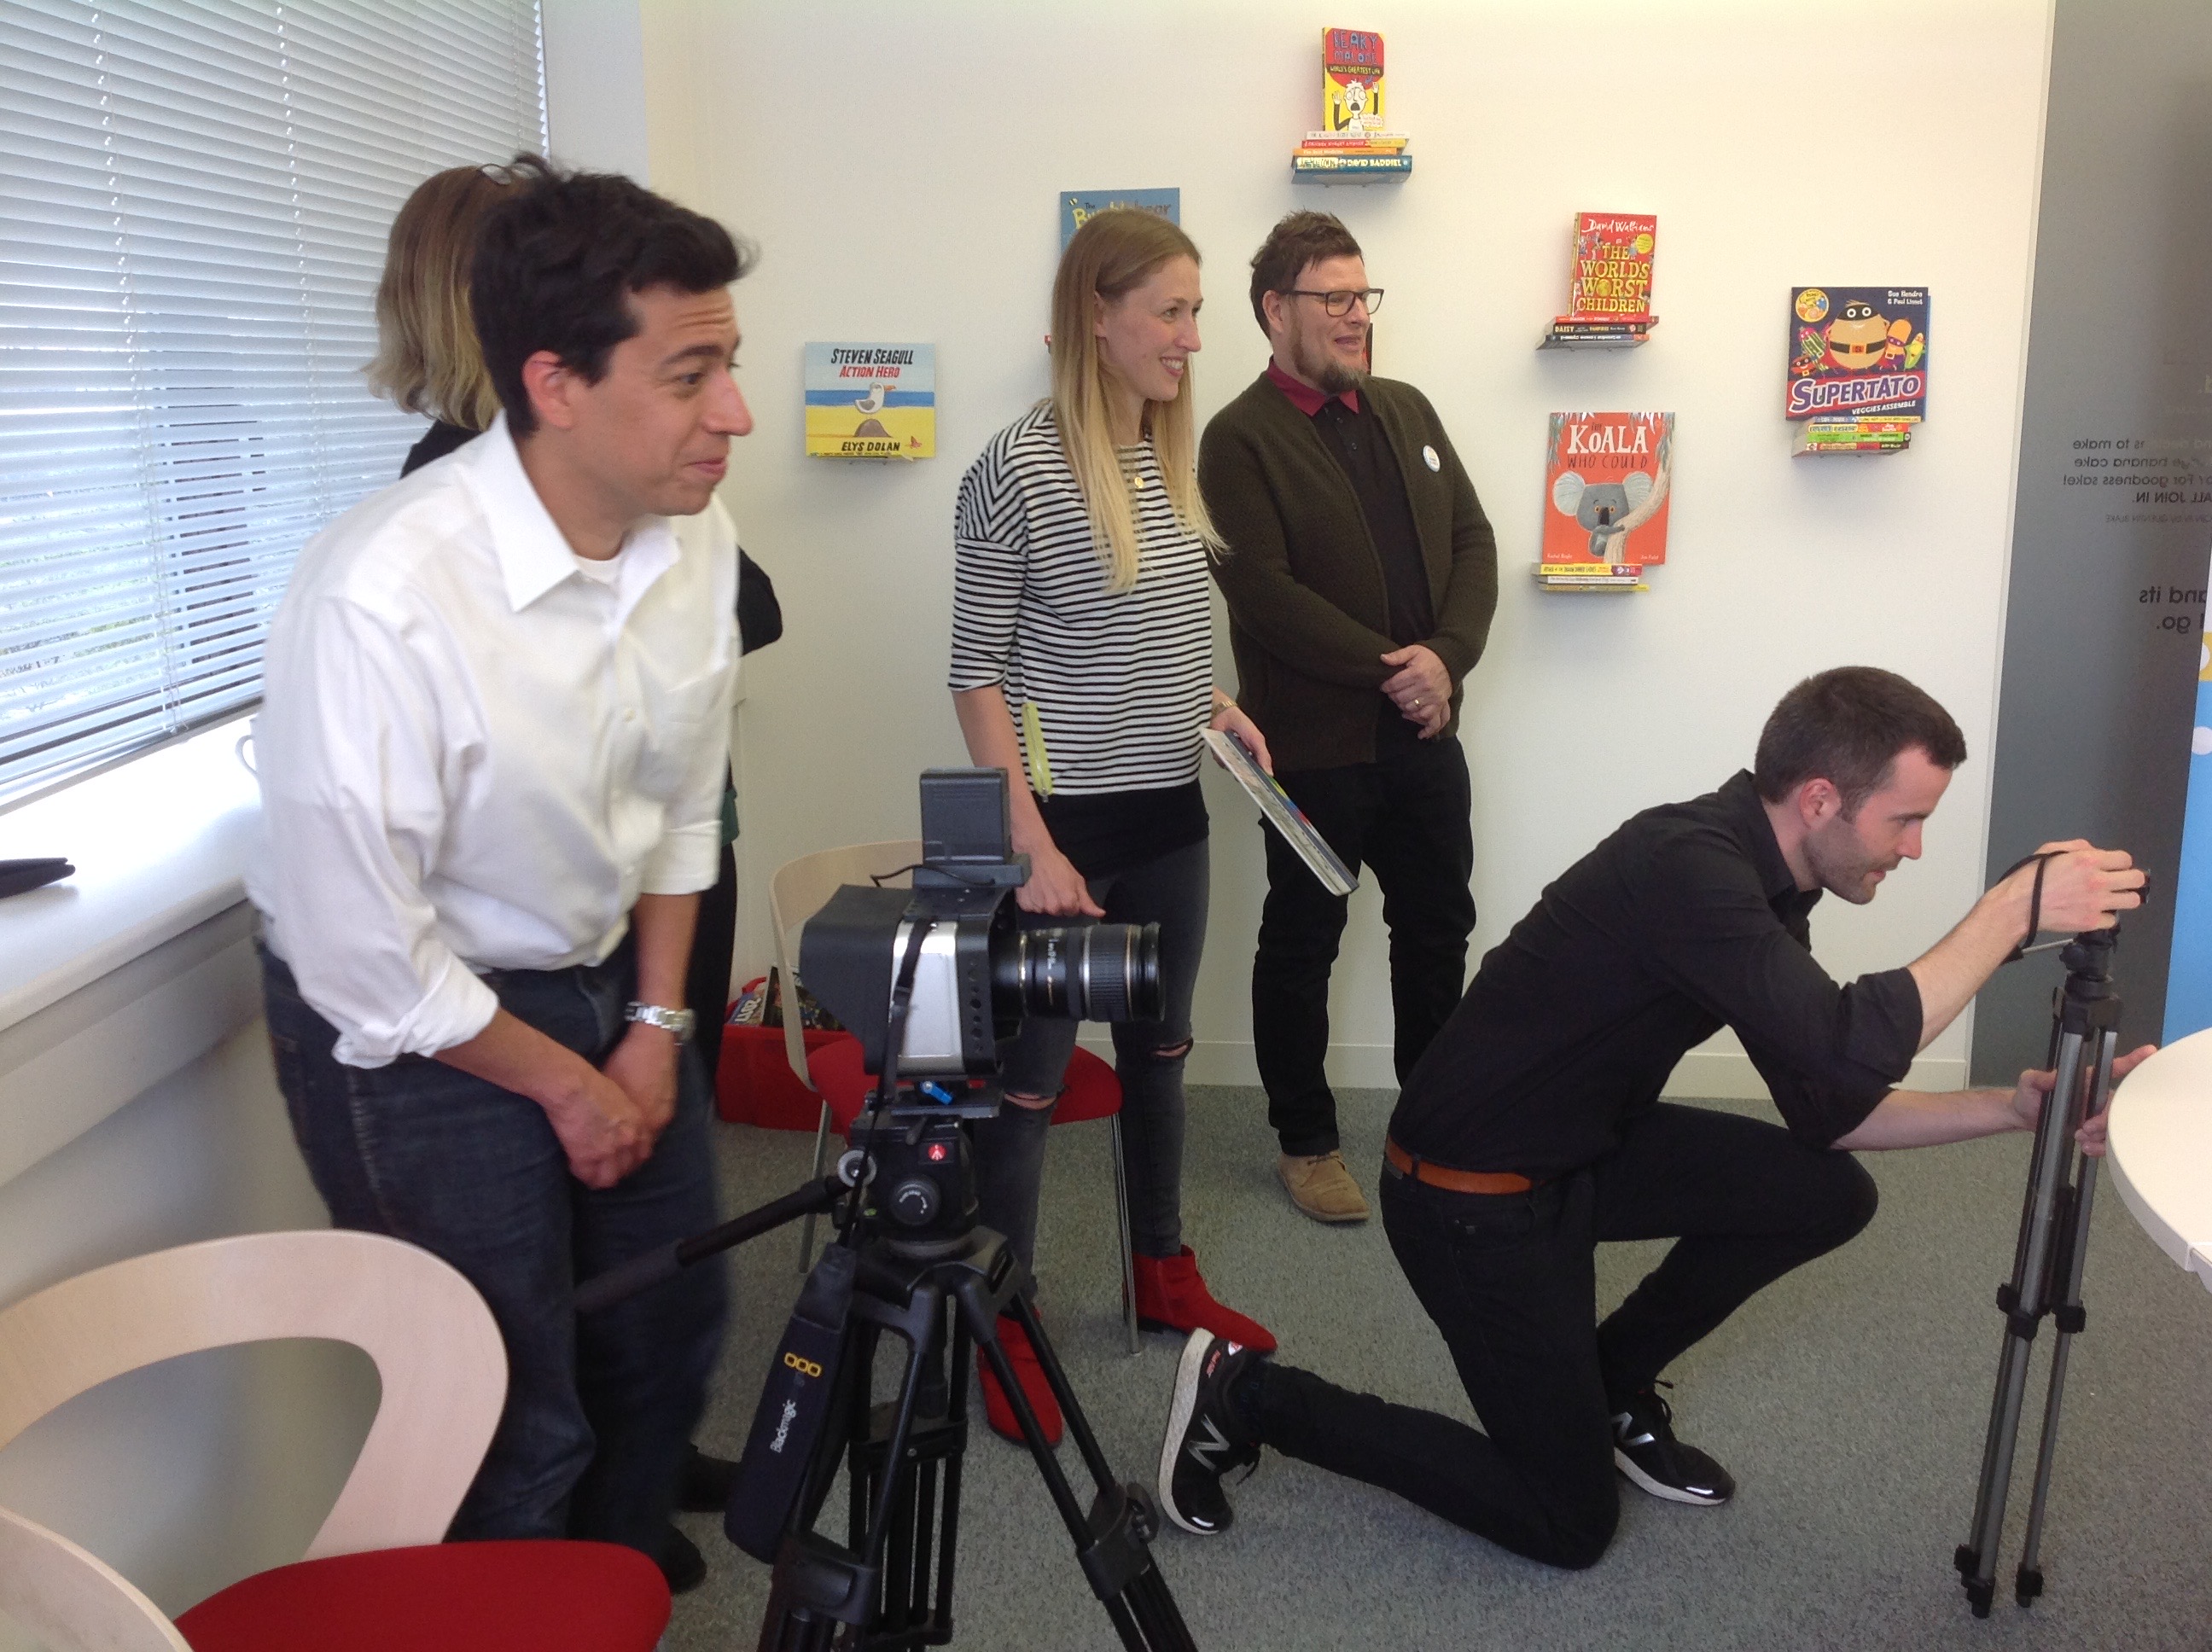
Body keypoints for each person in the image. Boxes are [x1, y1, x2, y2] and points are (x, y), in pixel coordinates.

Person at [1159, 666, 2151, 1566]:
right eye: (1906, 819)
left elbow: (1830, 1102)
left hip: (1580, 1151)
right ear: (1820, 799)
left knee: (1823, 1193)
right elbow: (1851, 1044)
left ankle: (1607, 1388)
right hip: (1470, 1200)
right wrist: (2010, 911)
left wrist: (2014, 1108)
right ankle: (1249, 1395)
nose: (1915, 847)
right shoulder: (1691, 866)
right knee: (1566, 1523)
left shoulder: (1766, 884)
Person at [250, 157, 751, 1584]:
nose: (735, 412)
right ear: (555, 384)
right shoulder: (382, 594)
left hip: (604, 973)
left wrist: (652, 1024)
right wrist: (569, 1087)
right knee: (503, 1408)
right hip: (414, 1023)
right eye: (691, 375)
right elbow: (368, 961)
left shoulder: (694, 538)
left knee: (666, 1330)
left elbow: (680, 802)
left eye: (731, 364)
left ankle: (606, 1593)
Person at [947, 207, 1275, 1446]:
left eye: (1196, 312)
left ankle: (1160, 1271)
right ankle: (1006, 1318)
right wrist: (1031, 844)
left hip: (1170, 819)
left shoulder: (1165, 454)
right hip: (1063, 834)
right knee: (1030, 1084)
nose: (1192, 338)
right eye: (1170, 312)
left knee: (1162, 1053)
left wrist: (1215, 703)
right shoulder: (1016, 468)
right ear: (1098, 315)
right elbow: (977, 673)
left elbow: (1145, 630)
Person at [1200, 210, 1499, 1225]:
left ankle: (1432, 1130)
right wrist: (1397, 672)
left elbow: (1473, 539)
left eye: (1361, 295)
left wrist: (1446, 660)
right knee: (1303, 944)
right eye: (1332, 297)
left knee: (1437, 931)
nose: (1355, 315)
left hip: (1424, 738)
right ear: (1274, 310)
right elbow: (1262, 594)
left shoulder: (1407, 409)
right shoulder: (1237, 439)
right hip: (1313, 755)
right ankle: (1307, 1142)